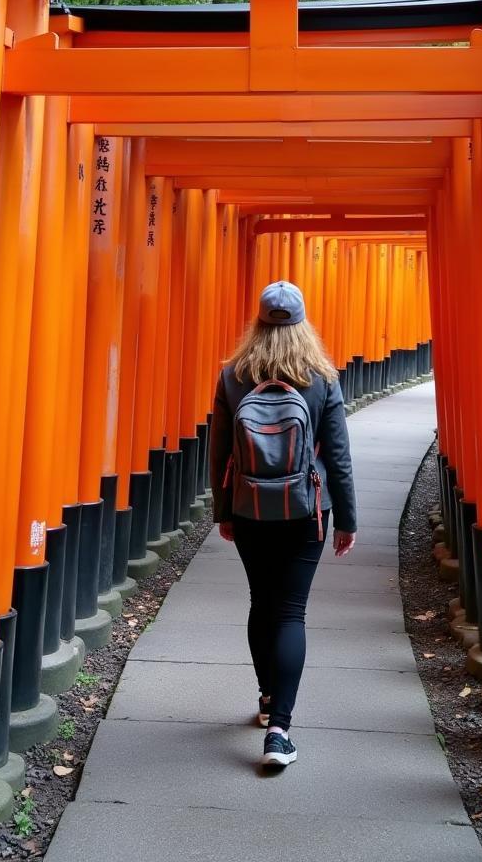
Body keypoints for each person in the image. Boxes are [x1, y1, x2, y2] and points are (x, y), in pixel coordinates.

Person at [211, 280, 357, 769]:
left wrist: (223, 510)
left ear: (257, 322)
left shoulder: (233, 375)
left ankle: (268, 697)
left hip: (251, 508)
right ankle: (280, 734)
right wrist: (347, 520)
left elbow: (220, 452)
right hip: (306, 509)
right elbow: (337, 456)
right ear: (302, 324)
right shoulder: (321, 378)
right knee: (291, 612)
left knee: (262, 602)